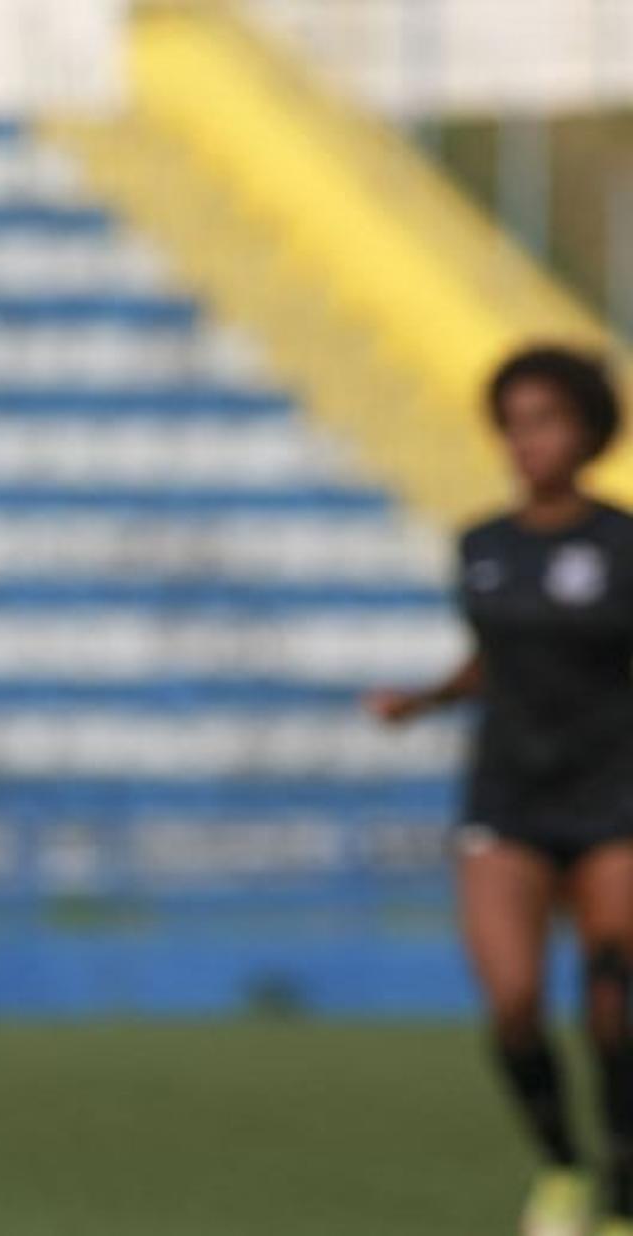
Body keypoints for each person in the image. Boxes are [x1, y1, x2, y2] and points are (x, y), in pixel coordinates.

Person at [368, 345, 633, 1236]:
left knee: (613, 1000)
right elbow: (499, 662)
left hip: (613, 795)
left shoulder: (622, 544)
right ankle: (563, 1167)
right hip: (508, 794)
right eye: (515, 425)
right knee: (514, 998)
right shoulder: (482, 547)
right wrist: (426, 700)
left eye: (547, 421)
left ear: (590, 432)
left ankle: (624, 1181)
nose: (527, 443)